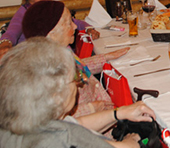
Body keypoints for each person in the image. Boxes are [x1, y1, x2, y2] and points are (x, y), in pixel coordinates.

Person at [0, 37, 156, 148]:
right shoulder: (62, 139)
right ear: (56, 96)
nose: (77, 83)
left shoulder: (18, 124)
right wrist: (131, 142)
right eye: (73, 79)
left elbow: (76, 124)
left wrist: (118, 113)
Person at [0, 0, 128, 65]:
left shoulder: (52, 11)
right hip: (36, 63)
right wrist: (5, 44)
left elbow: (76, 22)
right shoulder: (25, 12)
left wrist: (89, 28)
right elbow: (11, 32)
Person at [22, 0, 120, 117]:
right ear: (51, 34)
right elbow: (55, 120)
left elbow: (79, 67)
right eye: (69, 23)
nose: (74, 26)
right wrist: (92, 108)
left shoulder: (61, 51)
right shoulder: (47, 72)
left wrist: (106, 57)